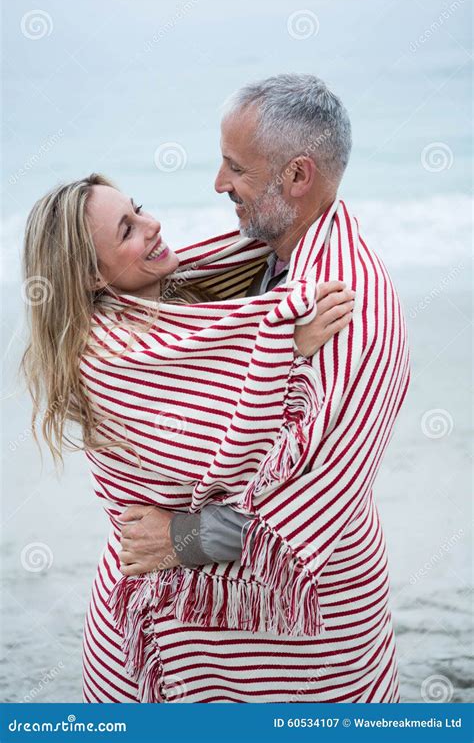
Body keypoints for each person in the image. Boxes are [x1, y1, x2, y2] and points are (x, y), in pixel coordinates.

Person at [21, 169, 354, 701]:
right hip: (152, 615)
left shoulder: (176, 311)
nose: (152, 226)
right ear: (89, 276)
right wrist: (286, 347)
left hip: (203, 598)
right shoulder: (107, 354)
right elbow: (225, 442)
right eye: (126, 230)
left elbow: (223, 350)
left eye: (139, 208)